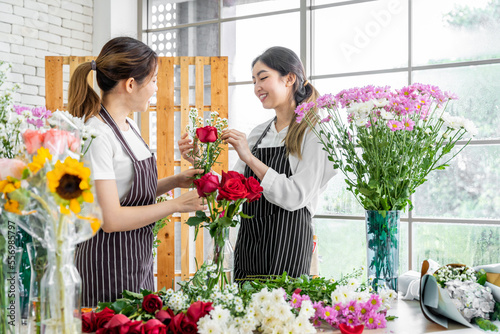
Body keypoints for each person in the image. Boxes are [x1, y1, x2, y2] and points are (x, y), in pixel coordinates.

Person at [68, 36, 206, 307]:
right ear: (130, 84)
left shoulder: (129, 127)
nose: (156, 88)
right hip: (106, 264)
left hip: (136, 260)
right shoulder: (97, 135)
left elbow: (125, 190)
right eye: (153, 80)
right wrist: (176, 205)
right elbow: (112, 218)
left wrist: (176, 181)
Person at [179, 46, 337, 281]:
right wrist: (198, 160)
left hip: (288, 246)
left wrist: (250, 159)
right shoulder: (258, 134)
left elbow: (295, 196)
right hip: (250, 245)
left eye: (263, 78)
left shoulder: (314, 132)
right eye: (253, 81)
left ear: (289, 79)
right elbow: (229, 191)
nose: (257, 88)